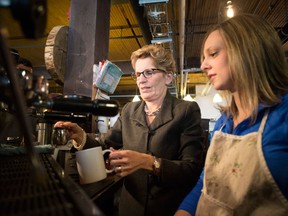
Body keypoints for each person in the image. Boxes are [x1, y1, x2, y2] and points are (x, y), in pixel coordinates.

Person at [54, 44, 205, 216]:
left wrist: (148, 162)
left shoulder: (185, 110)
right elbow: (104, 146)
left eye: (149, 72)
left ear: (168, 77)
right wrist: (80, 136)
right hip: (130, 208)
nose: (141, 79)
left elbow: (192, 170)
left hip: (168, 209)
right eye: (138, 74)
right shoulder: (129, 111)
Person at [175, 13, 288, 216]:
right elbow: (206, 184)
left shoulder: (283, 115)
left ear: (247, 50)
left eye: (214, 53)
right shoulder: (222, 123)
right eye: (204, 57)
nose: (203, 65)